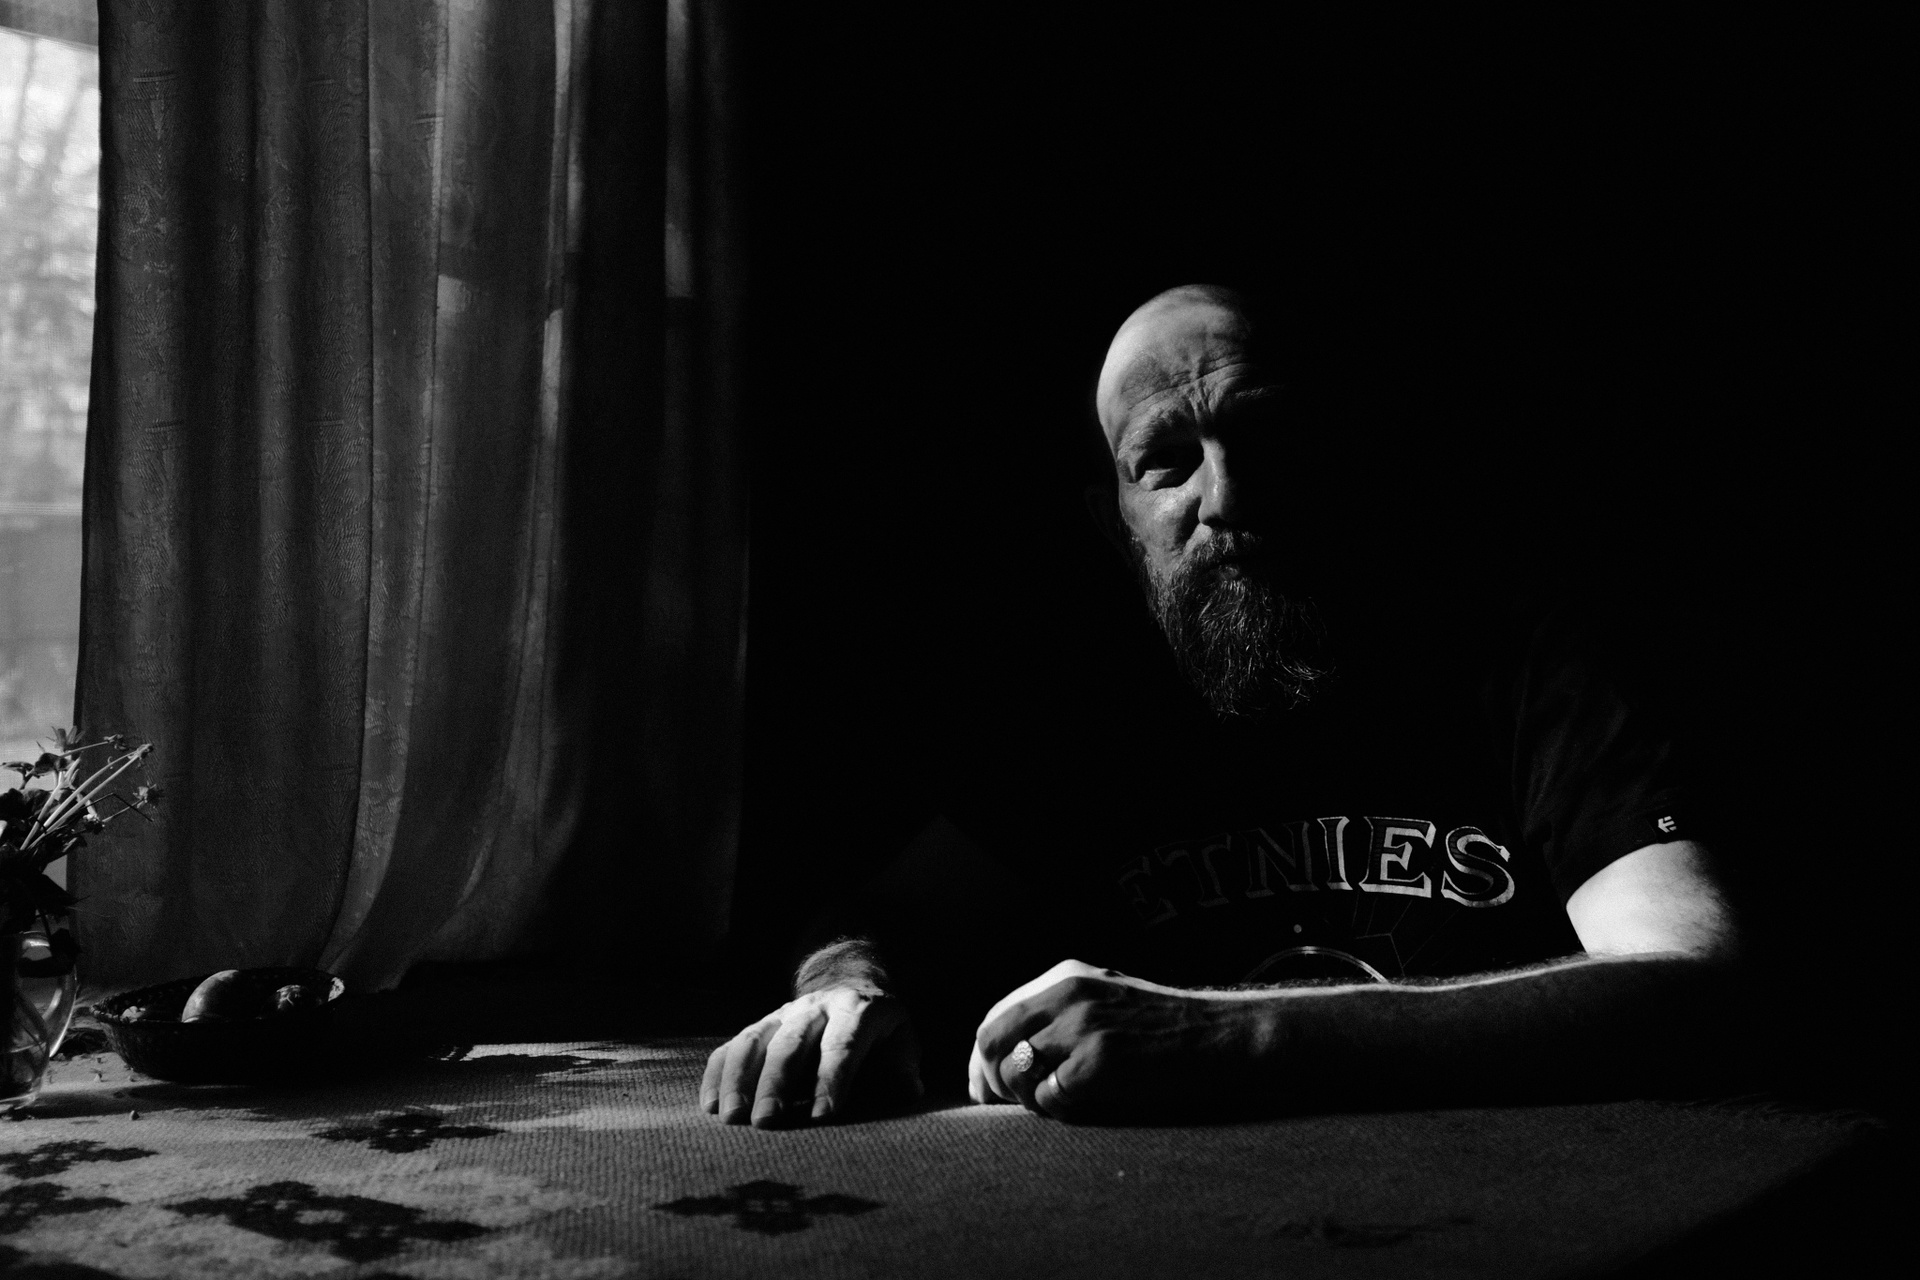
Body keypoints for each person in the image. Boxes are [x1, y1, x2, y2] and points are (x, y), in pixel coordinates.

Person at [701, 285, 1743, 1128]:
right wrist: (845, 985)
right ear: (1116, 524)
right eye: (1166, 461)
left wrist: (1230, 1038)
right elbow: (881, 917)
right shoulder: (1089, 711)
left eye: (1267, 434)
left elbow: (1699, 980)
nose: (1228, 496)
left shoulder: (1520, 658)